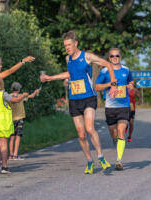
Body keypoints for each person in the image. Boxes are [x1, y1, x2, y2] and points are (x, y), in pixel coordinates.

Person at [40, 31, 118, 174]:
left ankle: (101, 157)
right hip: (74, 99)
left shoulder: (87, 56)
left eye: (69, 45)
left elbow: (107, 64)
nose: (67, 48)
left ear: (76, 43)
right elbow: (70, 74)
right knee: (81, 134)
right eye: (65, 45)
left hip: (89, 97)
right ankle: (89, 161)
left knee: (89, 128)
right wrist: (50, 78)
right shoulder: (67, 59)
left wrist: (113, 84)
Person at [95, 48, 133, 170]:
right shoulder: (105, 71)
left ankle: (119, 160)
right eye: (112, 56)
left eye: (117, 56)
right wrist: (109, 85)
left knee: (121, 131)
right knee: (114, 133)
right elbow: (97, 87)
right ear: (109, 58)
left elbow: (131, 82)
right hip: (110, 107)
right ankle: (117, 142)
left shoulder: (126, 70)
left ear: (120, 57)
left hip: (123, 106)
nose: (114, 58)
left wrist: (130, 86)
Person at [0, 77, 27, 174]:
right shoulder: (2, 94)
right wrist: (23, 95)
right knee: (3, 144)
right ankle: (5, 166)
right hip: (2, 123)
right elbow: (15, 100)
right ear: (1, 85)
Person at [8, 82, 40, 160]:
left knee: (11, 137)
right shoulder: (21, 96)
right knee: (18, 136)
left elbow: (30, 96)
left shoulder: (8, 96)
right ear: (18, 89)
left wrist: (35, 92)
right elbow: (31, 96)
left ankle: (11, 155)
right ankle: (15, 155)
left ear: (12, 89)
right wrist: (35, 93)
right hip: (19, 119)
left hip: (10, 119)